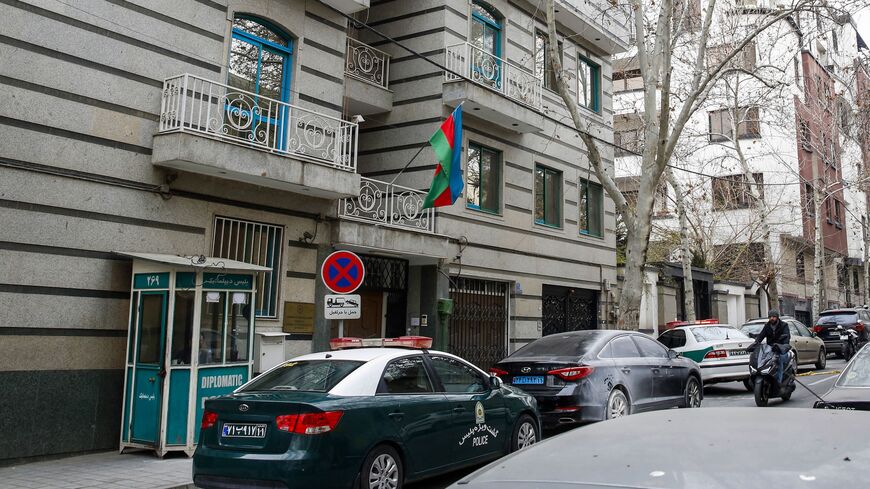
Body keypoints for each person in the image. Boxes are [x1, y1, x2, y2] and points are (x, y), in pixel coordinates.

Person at [752, 309, 791, 384]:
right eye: (770, 317)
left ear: (777, 317)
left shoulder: (784, 325)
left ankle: (779, 382)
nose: (772, 318)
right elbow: (761, 336)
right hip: (770, 348)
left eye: (773, 317)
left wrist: (783, 346)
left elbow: (787, 337)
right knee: (763, 359)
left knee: (779, 361)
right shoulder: (767, 326)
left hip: (781, 349)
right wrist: (756, 343)